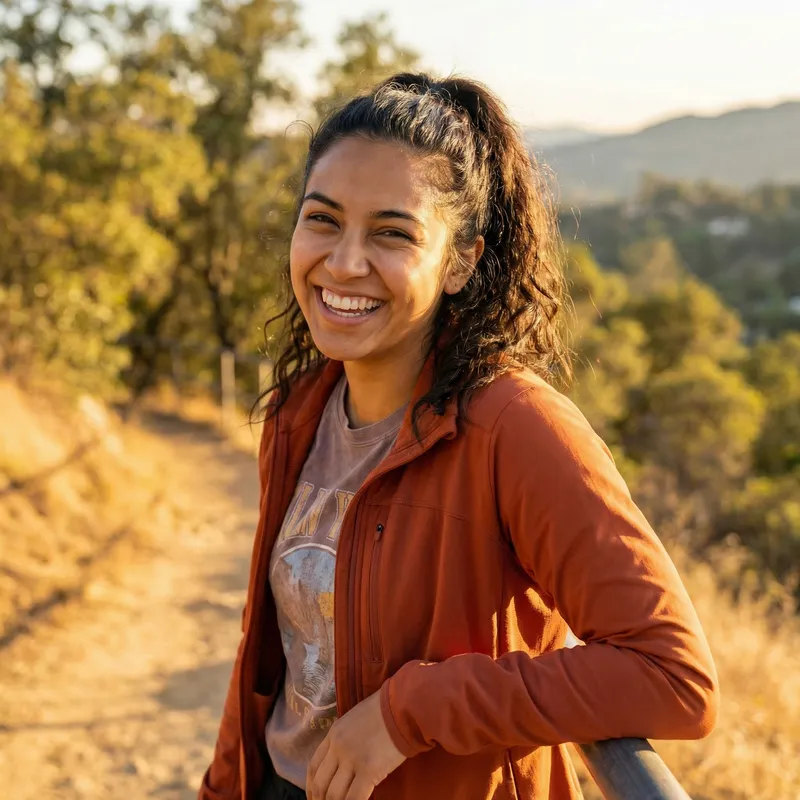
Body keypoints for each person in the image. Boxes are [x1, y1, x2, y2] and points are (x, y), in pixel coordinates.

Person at [198, 73, 718, 800]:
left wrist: (412, 713)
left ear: (461, 261)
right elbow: (270, 661)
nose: (344, 262)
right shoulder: (299, 413)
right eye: (322, 219)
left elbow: (674, 676)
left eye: (392, 233)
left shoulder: (517, 429)